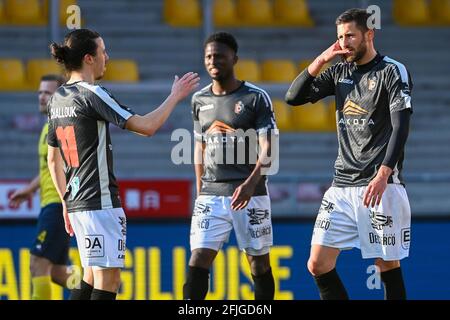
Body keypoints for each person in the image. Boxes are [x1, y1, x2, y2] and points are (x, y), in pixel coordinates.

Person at [46, 28, 200, 300]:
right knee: (108, 280)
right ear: (88, 58)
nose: (107, 56)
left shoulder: (57, 98)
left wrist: (66, 204)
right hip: (100, 203)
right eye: (102, 51)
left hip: (77, 203)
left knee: (90, 276)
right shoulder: (92, 93)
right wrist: (175, 95)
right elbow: (147, 126)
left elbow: (52, 157)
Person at [285, 8, 412, 300]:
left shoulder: (392, 71)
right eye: (340, 37)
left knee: (386, 266)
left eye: (351, 35)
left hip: (378, 186)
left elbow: (400, 128)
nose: (345, 43)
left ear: (370, 34)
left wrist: (384, 175)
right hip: (341, 187)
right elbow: (293, 98)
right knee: (317, 264)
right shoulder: (340, 70)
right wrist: (322, 59)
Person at [184, 32, 278, 300]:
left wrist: (250, 184)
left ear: (234, 58)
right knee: (199, 257)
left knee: (258, 262)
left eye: (220, 56)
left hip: (250, 195)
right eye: (209, 56)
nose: (214, 61)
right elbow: (199, 148)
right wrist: (200, 189)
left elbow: (269, 149)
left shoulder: (256, 98)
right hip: (211, 195)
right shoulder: (199, 100)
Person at [9, 74, 69, 300]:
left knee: (37, 264)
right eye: (40, 92)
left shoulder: (63, 127)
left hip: (57, 205)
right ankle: (94, 286)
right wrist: (30, 189)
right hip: (48, 204)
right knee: (57, 272)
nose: (42, 97)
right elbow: (48, 166)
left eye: (48, 93)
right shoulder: (48, 128)